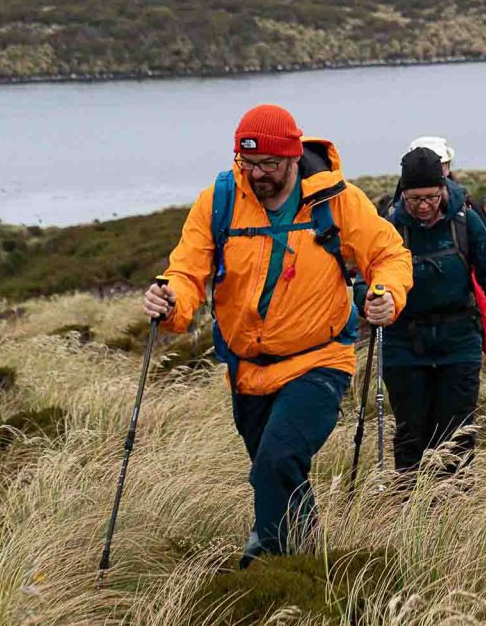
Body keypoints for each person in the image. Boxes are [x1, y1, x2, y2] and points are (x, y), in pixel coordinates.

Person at [144, 104, 411, 563]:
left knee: (277, 461)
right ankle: (308, 563)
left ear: (292, 157)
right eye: (249, 164)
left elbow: (389, 254)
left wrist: (387, 292)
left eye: (269, 164)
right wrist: (171, 300)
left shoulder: (336, 199)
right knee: (279, 474)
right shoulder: (220, 200)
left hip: (319, 361)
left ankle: (264, 560)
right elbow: (187, 271)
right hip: (245, 370)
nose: (258, 174)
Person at [381, 146, 486, 474]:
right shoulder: (389, 226)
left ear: (443, 188)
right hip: (404, 344)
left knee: (457, 433)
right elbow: (367, 276)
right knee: (410, 431)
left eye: (431, 196)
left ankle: (455, 504)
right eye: (415, 199)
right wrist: (370, 299)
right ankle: (409, 504)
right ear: (404, 194)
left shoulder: (465, 220)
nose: (424, 206)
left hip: (458, 342)